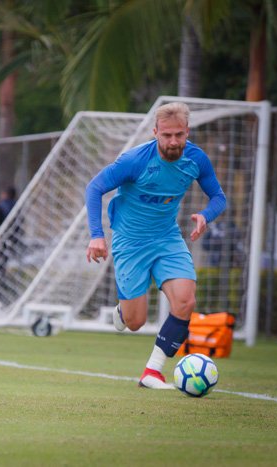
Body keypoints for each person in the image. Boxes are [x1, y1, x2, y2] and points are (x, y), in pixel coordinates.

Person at [85, 102, 226, 389]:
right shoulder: (134, 160)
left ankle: (153, 371)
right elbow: (94, 188)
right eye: (166, 135)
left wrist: (205, 215)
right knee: (135, 322)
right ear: (155, 133)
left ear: (187, 132)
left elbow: (218, 197)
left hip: (167, 239)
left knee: (186, 301)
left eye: (179, 135)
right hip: (130, 242)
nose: (173, 141)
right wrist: (97, 235)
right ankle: (123, 312)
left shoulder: (196, 159)